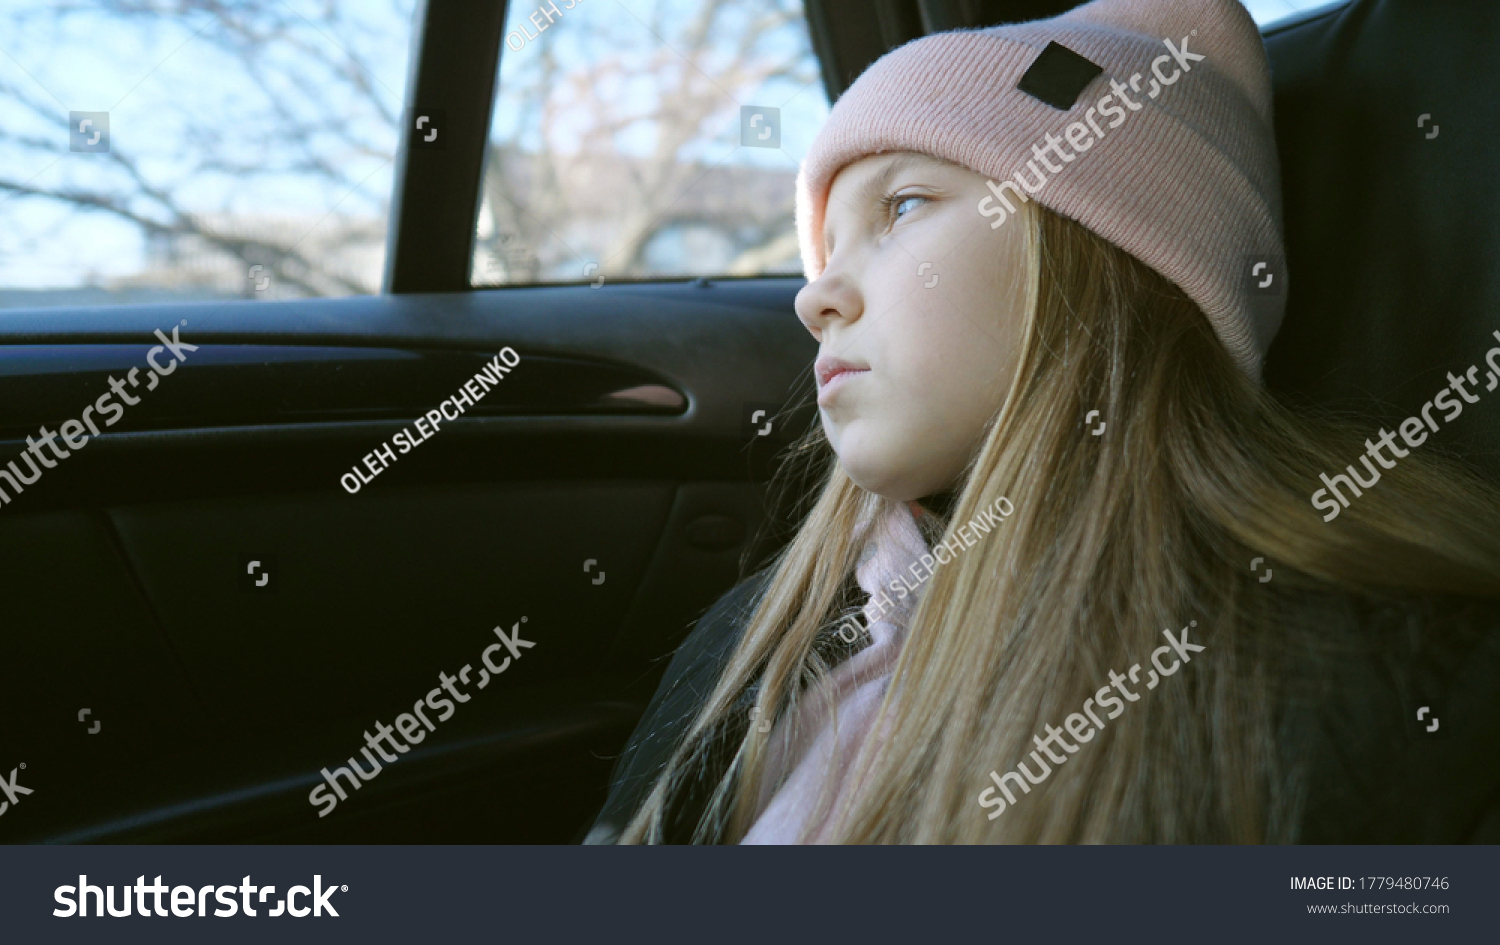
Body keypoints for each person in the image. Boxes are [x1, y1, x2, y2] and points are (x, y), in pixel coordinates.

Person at [584, 0, 1500, 844]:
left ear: (1110, 254)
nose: (814, 296)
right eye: (826, 246)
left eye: (900, 207)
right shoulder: (756, 641)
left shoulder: (1390, 685)